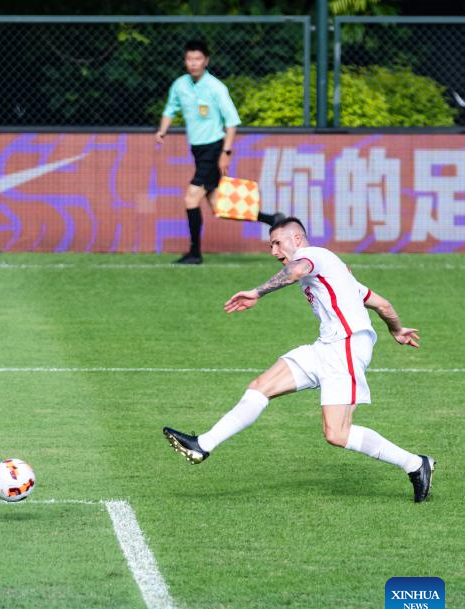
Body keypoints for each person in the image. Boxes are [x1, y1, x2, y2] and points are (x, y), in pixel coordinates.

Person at [162, 217, 434, 502]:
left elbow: (295, 271)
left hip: (345, 347)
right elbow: (382, 304)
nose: (273, 251)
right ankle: (203, 444)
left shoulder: (313, 255)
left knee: (337, 434)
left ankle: (415, 464)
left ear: (297, 239)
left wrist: (256, 293)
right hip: (326, 347)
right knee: (260, 386)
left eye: (277, 243)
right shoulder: (336, 273)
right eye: (270, 246)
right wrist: (396, 329)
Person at [155, 39, 278, 265]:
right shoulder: (180, 85)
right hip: (198, 150)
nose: (193, 63)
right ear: (185, 61)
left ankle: (194, 253)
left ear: (206, 61)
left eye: (198, 59)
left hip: (214, 148)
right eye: (190, 59)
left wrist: (225, 152)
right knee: (219, 206)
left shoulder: (216, 87)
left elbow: (231, 123)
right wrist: (162, 130)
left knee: (191, 197)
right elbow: (170, 109)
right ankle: (272, 219)